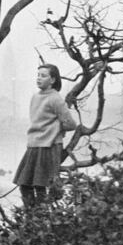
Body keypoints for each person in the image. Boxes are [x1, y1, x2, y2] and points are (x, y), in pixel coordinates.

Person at [13, 64, 77, 209]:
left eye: (43, 76)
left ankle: (42, 217)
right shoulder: (35, 97)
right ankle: (32, 215)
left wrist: (55, 129)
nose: (39, 78)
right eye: (38, 75)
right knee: (24, 184)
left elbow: (71, 124)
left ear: (52, 80)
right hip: (34, 145)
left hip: (49, 146)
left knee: (41, 186)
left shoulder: (55, 99)